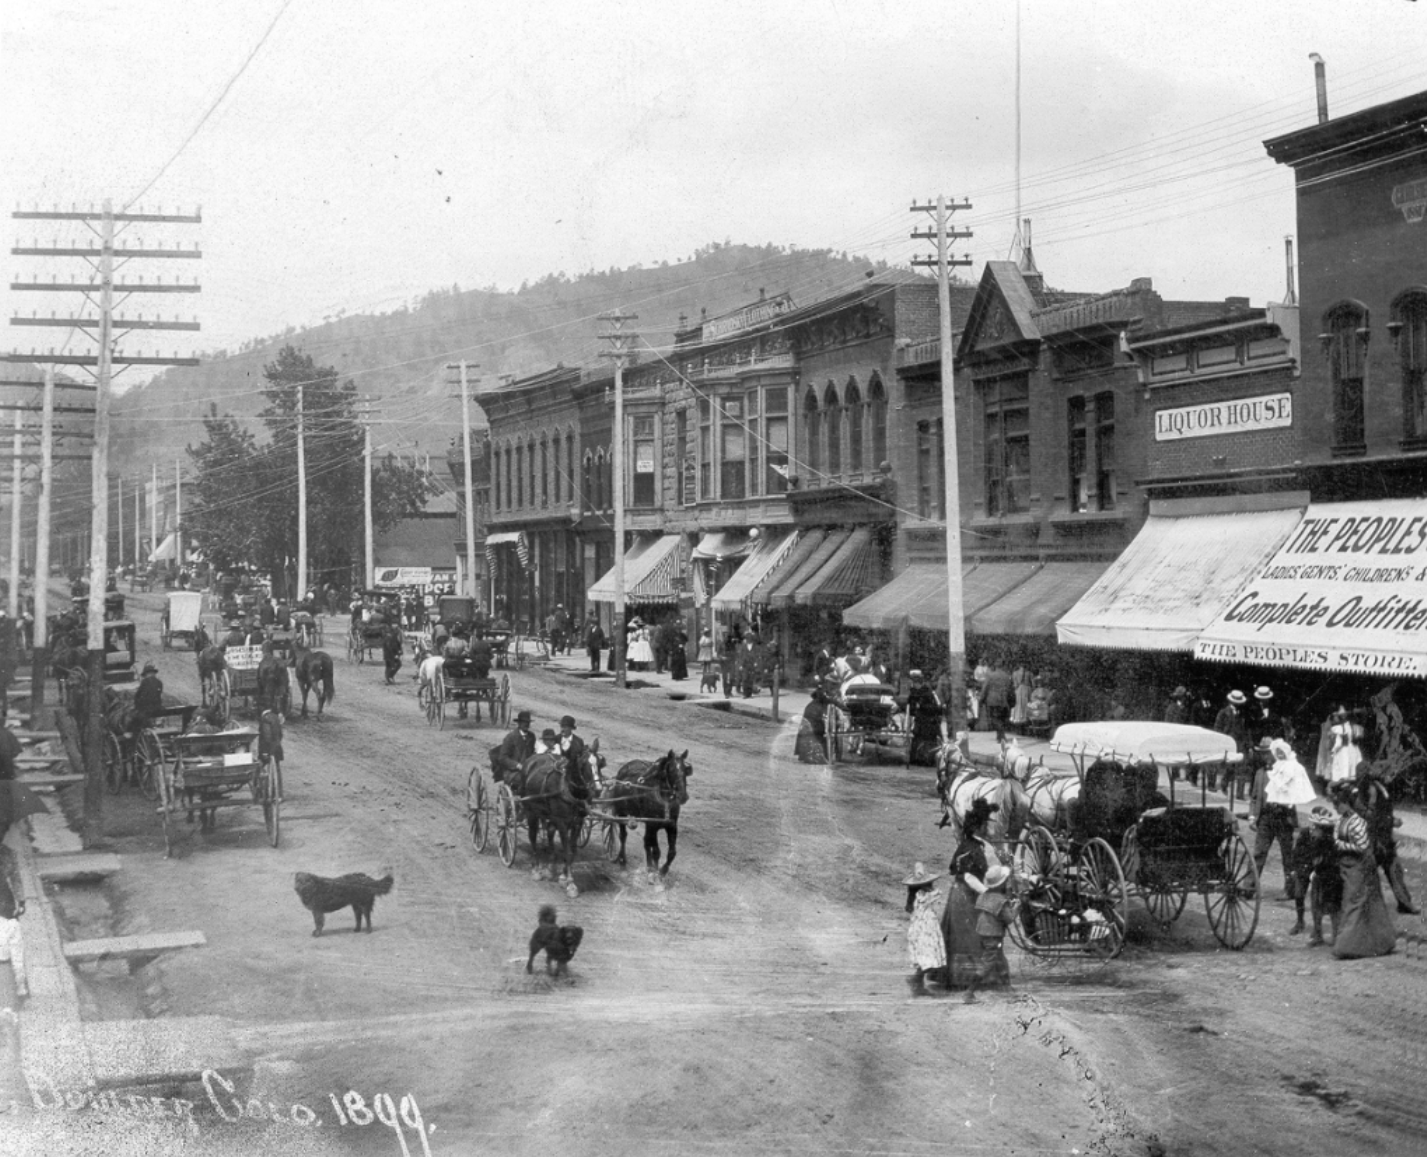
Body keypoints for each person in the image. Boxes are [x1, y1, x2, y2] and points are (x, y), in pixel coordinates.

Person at [1328, 780, 1397, 959]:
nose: (1336, 808)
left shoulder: (1357, 822)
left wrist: (1340, 844)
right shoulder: (1342, 820)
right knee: (1350, 903)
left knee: (1355, 903)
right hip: (1347, 867)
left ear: (1346, 803)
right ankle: (1359, 943)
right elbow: (1336, 837)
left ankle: (1347, 946)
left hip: (1360, 867)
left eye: (1338, 804)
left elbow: (1362, 845)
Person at [941, 796, 998, 989]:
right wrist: (987, 892)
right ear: (979, 827)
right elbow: (968, 876)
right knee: (968, 936)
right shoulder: (971, 848)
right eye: (986, 824)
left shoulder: (975, 844)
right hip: (965, 897)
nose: (988, 827)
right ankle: (966, 980)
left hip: (965, 895)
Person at [1249, 738, 1316, 889]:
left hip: (1283, 817)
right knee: (1258, 852)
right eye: (1262, 754)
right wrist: (1252, 816)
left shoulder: (1288, 770)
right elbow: (1254, 797)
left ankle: (1290, 889)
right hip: (1265, 817)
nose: (1265, 757)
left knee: (1288, 855)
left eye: (1268, 753)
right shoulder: (1260, 773)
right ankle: (1249, 887)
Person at [1356, 763, 1420, 915]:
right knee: (1369, 873)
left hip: (1384, 836)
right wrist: (1392, 821)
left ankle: (1404, 903)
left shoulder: (1379, 787)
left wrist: (1391, 820)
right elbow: (1372, 817)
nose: (1390, 775)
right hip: (1375, 838)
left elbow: (1382, 810)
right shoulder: (1368, 789)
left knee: (1393, 869)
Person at [1290, 802, 1343, 945]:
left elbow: (1328, 860)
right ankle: (1315, 932)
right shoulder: (1309, 836)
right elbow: (1298, 853)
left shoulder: (1330, 842)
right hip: (1312, 872)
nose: (1313, 829)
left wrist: (1316, 870)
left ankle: (1335, 936)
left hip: (1328, 876)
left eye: (1316, 827)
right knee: (1314, 904)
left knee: (1332, 906)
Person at [964, 864, 1017, 1004]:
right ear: (1002, 884)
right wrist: (1018, 906)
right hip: (993, 934)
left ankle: (1008, 989)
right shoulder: (1000, 900)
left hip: (983, 932)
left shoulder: (984, 896)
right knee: (988, 963)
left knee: (1000, 960)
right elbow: (1009, 918)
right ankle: (969, 992)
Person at [904, 863, 945, 997]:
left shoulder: (913, 896)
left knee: (923, 956)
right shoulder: (925, 895)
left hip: (917, 927)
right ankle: (916, 979)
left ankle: (918, 985)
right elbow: (938, 893)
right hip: (927, 927)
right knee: (930, 956)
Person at [0, 843, 27, 1000]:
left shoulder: (7, 852)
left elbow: (15, 877)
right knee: (14, 947)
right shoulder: (7, 852)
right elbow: (16, 878)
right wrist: (21, 901)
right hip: (6, 904)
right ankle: (19, 986)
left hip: (5, 904)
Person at [1213, 690, 1251, 798]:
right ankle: (1224, 784)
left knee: (1242, 769)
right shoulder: (1223, 713)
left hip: (1241, 743)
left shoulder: (1243, 714)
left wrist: (1249, 744)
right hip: (1229, 743)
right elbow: (1218, 728)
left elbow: (1246, 730)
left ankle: (1240, 794)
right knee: (1230, 768)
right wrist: (1221, 742)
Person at [906, 670, 944, 767]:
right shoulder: (915, 692)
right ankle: (917, 758)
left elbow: (936, 708)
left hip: (928, 722)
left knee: (925, 741)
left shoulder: (927, 693)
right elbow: (911, 707)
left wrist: (921, 707)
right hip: (921, 721)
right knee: (918, 740)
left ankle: (924, 758)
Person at [492, 710, 536, 784]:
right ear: (519, 723)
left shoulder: (531, 737)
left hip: (527, 771)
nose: (526, 724)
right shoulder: (510, 738)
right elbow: (502, 758)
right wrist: (517, 765)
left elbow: (532, 753)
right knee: (526, 782)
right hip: (512, 772)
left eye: (528, 722)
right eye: (524, 722)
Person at [1326, 707, 1364, 785]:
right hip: (1353, 749)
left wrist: (1333, 750)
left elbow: (1339, 743)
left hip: (1344, 750)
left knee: (1342, 769)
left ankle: (1337, 785)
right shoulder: (1353, 726)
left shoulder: (1340, 728)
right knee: (1351, 768)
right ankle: (1349, 783)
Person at [980, 661, 1012, 742]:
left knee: (994, 718)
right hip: (1003, 700)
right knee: (1001, 718)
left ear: (995, 667)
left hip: (992, 700)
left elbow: (985, 688)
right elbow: (1010, 689)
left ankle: (1002, 735)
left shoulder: (991, 676)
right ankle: (999, 736)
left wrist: (982, 699)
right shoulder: (1006, 676)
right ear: (1003, 666)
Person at [795, 689, 830, 764]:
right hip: (814, 727)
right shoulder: (819, 705)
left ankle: (807, 756)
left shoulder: (810, 704)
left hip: (805, 727)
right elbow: (823, 717)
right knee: (821, 733)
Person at [133, 662, 165, 733]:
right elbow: (158, 694)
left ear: (146, 674)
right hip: (157, 707)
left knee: (134, 717)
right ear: (153, 673)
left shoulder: (145, 681)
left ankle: (132, 732)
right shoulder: (159, 682)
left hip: (146, 708)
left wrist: (137, 705)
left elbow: (138, 695)